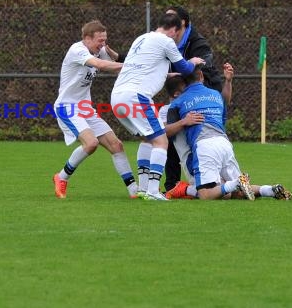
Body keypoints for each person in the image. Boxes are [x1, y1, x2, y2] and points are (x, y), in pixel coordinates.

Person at [110, 13, 205, 201]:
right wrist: (193, 61)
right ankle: (153, 191)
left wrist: (165, 75)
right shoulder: (166, 41)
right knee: (161, 142)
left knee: (147, 139)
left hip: (117, 98)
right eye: (179, 34)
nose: (178, 38)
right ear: (174, 29)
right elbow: (186, 69)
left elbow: (144, 67)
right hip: (136, 96)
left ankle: (144, 188)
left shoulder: (141, 38)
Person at [163, 70, 292, 200]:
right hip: (224, 143)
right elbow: (224, 105)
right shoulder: (215, 95)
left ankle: (232, 184)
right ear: (201, 76)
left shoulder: (177, 103)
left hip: (203, 147)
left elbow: (164, 133)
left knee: (206, 194)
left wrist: (183, 122)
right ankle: (269, 190)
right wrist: (228, 81)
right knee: (237, 192)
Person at [53, 20, 137, 199]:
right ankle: (61, 177)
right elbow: (101, 65)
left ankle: (134, 191)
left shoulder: (100, 50)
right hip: (67, 106)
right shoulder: (77, 50)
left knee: (117, 145)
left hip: (84, 107)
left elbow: (116, 65)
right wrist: (130, 66)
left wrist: (112, 52)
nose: (103, 44)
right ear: (87, 39)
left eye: (105, 40)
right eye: (100, 40)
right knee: (91, 144)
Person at [163, 5, 232, 193]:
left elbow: (202, 62)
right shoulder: (165, 40)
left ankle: (182, 187)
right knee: (174, 137)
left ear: (182, 23)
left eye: (171, 18)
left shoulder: (197, 42)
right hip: (191, 93)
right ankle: (173, 185)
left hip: (201, 94)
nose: (165, 21)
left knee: (206, 193)